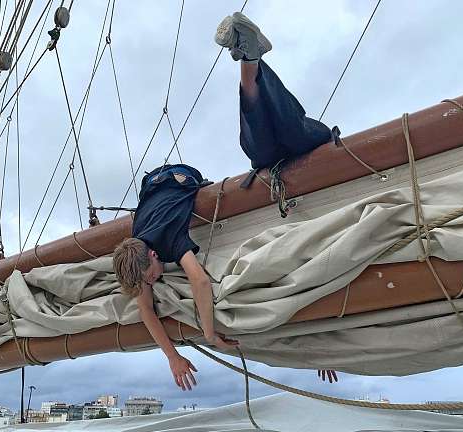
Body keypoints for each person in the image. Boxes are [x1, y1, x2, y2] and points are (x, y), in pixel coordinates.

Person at [113, 13, 338, 392]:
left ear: (152, 257)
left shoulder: (167, 240)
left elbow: (199, 282)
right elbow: (146, 309)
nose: (155, 282)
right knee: (258, 148)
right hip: (162, 181)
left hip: (182, 175)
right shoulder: (136, 240)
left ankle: (252, 63)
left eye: (152, 277)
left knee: (294, 136)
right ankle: (249, 62)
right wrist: (172, 356)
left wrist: (209, 334)